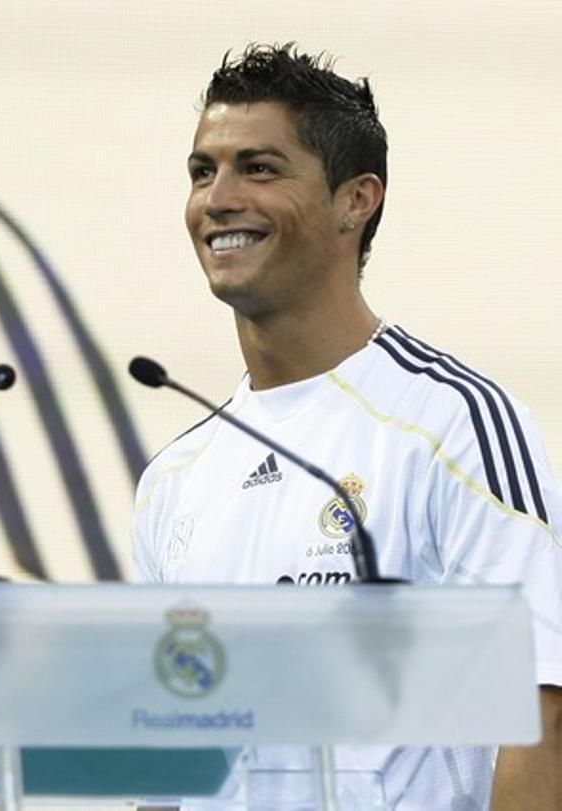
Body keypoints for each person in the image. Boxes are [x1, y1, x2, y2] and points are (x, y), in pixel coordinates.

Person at [133, 44, 562, 809]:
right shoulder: (174, 478)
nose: (217, 198)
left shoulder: (454, 423)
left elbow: (543, 713)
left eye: (258, 168)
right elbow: (170, 755)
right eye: (203, 171)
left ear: (355, 199)